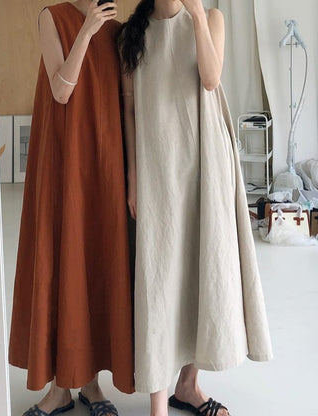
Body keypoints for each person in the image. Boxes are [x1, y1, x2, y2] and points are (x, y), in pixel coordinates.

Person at [118, 0, 273, 415]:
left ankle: (188, 384)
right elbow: (129, 110)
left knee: (201, 268)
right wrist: (133, 175)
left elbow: (210, 78)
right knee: (158, 278)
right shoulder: (132, 34)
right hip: (157, 167)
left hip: (206, 164)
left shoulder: (211, 19)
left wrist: (199, 17)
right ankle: (157, 403)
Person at [8, 1, 134, 415]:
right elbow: (62, 90)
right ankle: (58, 388)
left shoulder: (118, 31)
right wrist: (86, 31)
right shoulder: (52, 17)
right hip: (64, 163)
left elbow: (126, 104)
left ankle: (92, 386)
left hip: (103, 163)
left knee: (96, 266)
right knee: (61, 264)